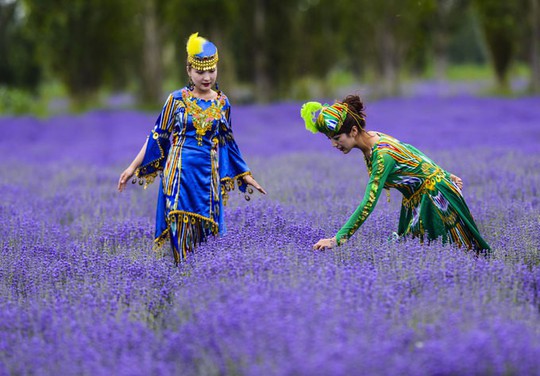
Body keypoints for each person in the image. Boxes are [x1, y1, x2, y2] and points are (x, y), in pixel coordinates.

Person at [118, 32, 266, 265]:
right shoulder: (175, 100)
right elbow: (157, 135)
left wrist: (245, 175)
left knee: (208, 236)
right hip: (178, 174)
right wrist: (132, 167)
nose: (207, 77)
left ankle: (203, 284)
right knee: (179, 228)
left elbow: (228, 142)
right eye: (200, 72)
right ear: (188, 71)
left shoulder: (222, 102)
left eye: (212, 71)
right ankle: (183, 277)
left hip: (209, 177)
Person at [300, 95, 490, 253]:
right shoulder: (372, 139)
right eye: (330, 139)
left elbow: (369, 202)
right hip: (417, 199)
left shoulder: (382, 156)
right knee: (420, 253)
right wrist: (445, 174)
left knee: (454, 253)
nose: (334, 144)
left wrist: (337, 240)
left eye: (336, 138)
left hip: (434, 198)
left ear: (354, 130)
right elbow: (410, 150)